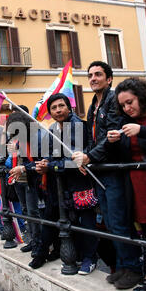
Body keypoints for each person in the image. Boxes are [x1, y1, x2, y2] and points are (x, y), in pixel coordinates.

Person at [72, 61, 142, 289]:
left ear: (109, 79)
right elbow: (94, 139)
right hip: (100, 171)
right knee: (111, 223)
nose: (93, 78)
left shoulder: (113, 100)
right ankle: (123, 267)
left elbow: (111, 135)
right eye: (90, 75)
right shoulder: (93, 104)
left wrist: (90, 157)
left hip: (114, 169)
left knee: (120, 222)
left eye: (98, 74)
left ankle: (133, 269)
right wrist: (87, 160)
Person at [106, 78, 146, 291]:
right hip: (138, 188)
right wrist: (112, 141)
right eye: (123, 105)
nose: (127, 108)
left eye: (130, 102)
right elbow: (120, 155)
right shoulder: (124, 122)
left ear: (142, 96)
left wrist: (142, 131)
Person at [29, 93, 98, 274]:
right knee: (68, 223)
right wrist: (45, 163)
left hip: (81, 183)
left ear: (69, 107)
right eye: (54, 108)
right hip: (61, 184)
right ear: (50, 112)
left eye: (61, 106)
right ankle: (74, 256)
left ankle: (90, 258)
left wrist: (49, 166)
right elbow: (49, 156)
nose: (58, 110)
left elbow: (74, 158)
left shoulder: (77, 126)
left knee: (86, 222)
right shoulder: (52, 129)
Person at [6, 111, 44, 257]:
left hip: (31, 180)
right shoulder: (15, 140)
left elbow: (40, 161)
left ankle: (38, 243)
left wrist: (23, 167)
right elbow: (10, 162)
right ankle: (33, 241)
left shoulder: (35, 139)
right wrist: (13, 153)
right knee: (25, 210)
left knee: (33, 212)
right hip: (19, 180)